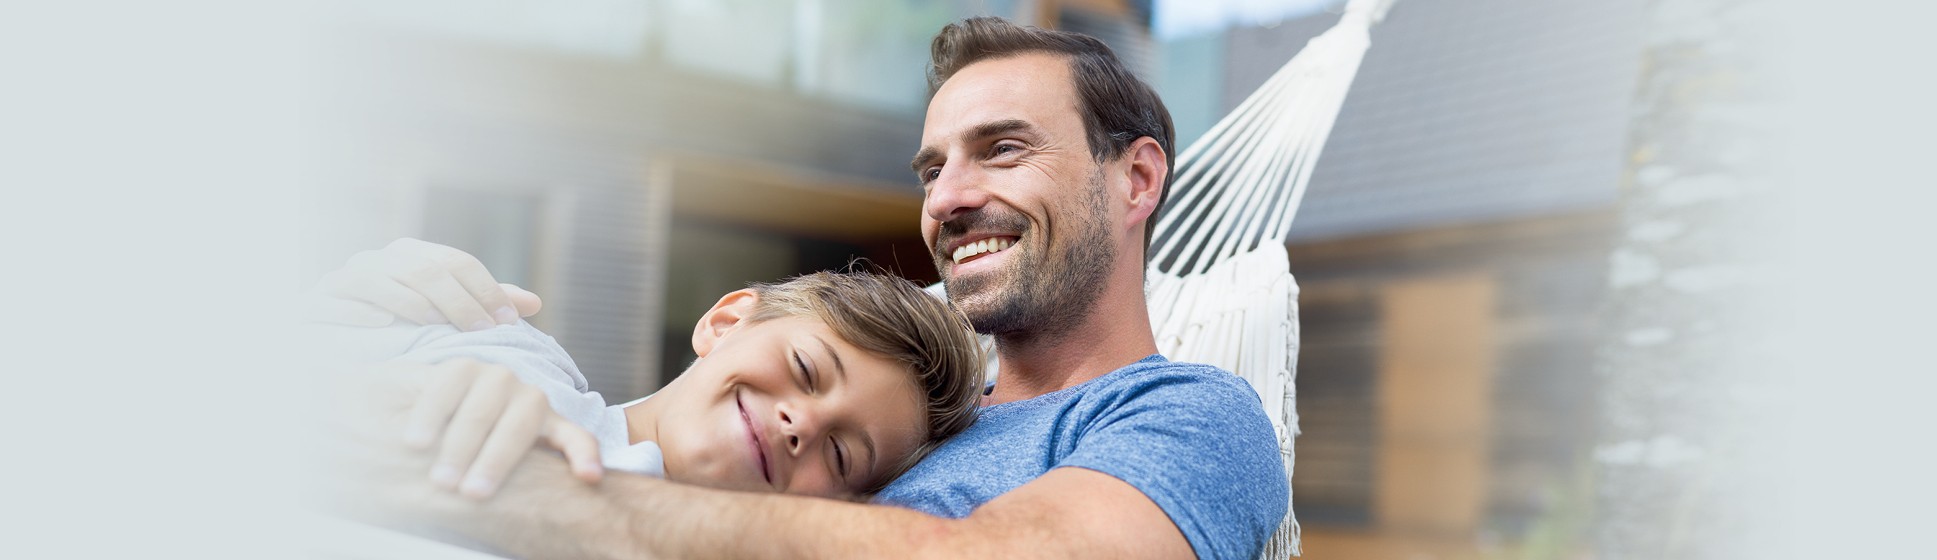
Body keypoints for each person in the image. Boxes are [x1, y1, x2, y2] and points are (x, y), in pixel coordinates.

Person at [326, 16, 1289, 560]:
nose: (950, 198)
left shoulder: (1188, 416)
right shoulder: (916, 414)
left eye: (1002, 150)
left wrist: (512, 498)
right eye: (931, 168)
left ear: (1137, 179)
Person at [325, 270, 983, 502]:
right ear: (727, 322)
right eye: (807, 372)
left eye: (841, 455)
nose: (802, 425)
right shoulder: (493, 339)